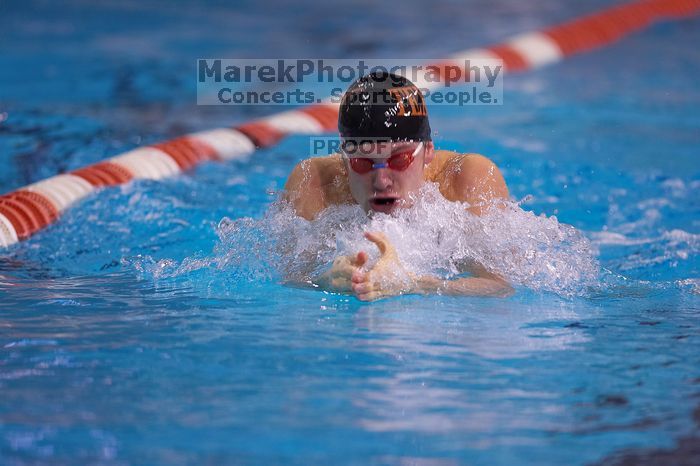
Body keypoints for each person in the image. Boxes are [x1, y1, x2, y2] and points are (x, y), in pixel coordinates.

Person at [283, 72, 512, 301]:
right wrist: (324, 281)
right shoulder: (315, 183)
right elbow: (288, 280)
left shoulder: (468, 179)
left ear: (428, 150)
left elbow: (499, 286)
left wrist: (414, 283)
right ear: (343, 158)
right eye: (363, 161)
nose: (381, 180)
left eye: (399, 160)